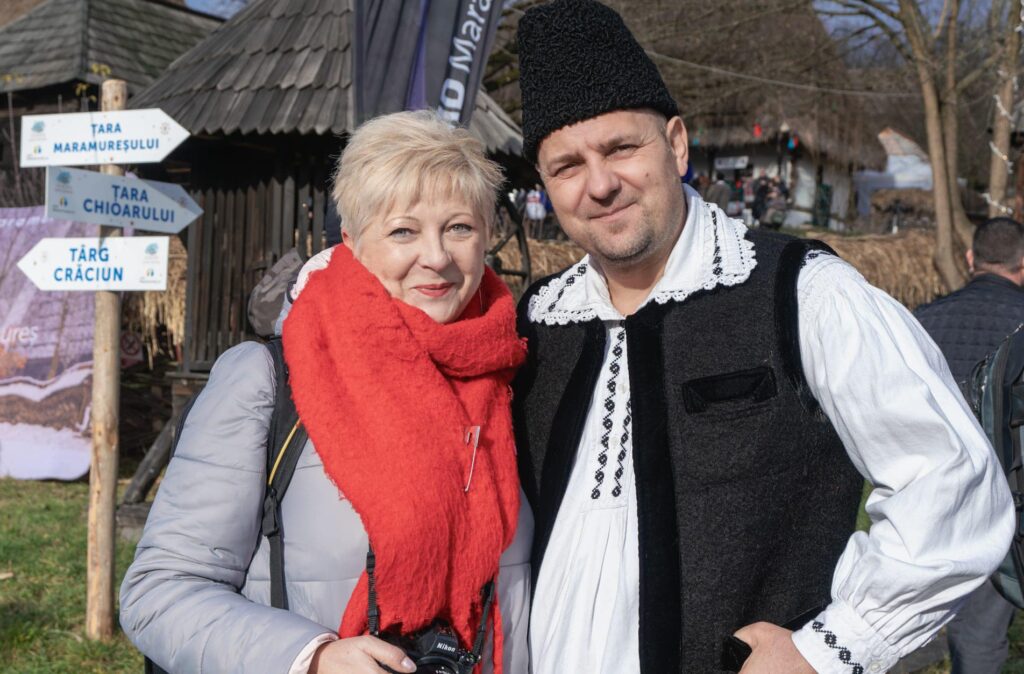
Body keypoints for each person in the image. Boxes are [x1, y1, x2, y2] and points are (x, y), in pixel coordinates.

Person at [511, 1, 1013, 673]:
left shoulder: (802, 292)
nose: (599, 185)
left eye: (621, 148)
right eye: (567, 166)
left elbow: (951, 479)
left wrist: (830, 648)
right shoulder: (537, 322)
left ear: (677, 144)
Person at [120, 111, 533, 674]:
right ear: (353, 242)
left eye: (458, 228)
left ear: (485, 236)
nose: (436, 257)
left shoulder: (515, 375)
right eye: (403, 231)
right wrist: (308, 659)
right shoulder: (267, 380)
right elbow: (159, 592)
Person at [914, 216, 1024, 674]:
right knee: (980, 635)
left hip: (935, 498)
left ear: (970, 258)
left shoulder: (920, 322)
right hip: (1007, 497)